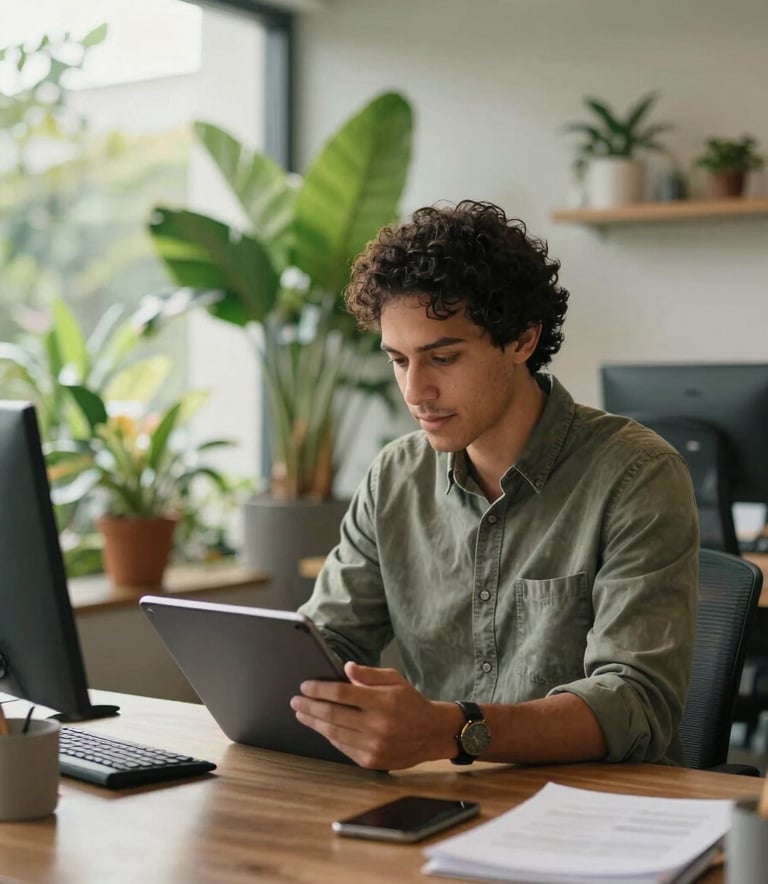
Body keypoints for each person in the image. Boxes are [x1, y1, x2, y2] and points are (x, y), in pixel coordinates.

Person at [290, 199, 699, 771]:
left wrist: (453, 731)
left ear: (521, 340)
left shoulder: (636, 476)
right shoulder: (394, 477)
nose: (415, 391)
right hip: (440, 800)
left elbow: (636, 703)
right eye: (399, 360)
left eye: (443, 357)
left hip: (596, 812)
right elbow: (326, 642)